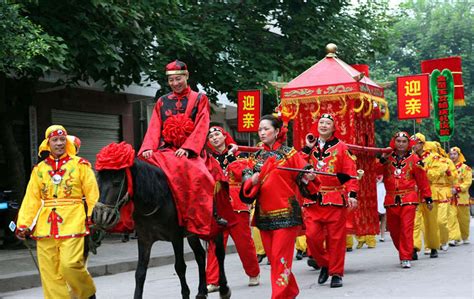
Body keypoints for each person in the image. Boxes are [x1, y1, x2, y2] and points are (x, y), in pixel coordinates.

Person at [138, 60, 223, 238]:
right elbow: (154, 126)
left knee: (202, 176)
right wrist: (147, 147)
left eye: (178, 79)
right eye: (171, 80)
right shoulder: (162, 101)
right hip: (167, 150)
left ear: (186, 76)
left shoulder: (200, 98)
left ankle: (209, 215)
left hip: (191, 152)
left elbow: (202, 125)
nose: (175, 83)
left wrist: (188, 148)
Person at [240, 114, 320, 299]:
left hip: (286, 213)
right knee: (276, 261)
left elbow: (304, 177)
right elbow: (246, 185)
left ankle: (279, 296)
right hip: (264, 216)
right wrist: (252, 180)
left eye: (266, 129)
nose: (262, 132)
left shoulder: (289, 154)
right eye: (260, 129)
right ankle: (290, 291)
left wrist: (308, 176)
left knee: (279, 258)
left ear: (277, 132)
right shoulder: (255, 157)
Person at [15, 125, 98, 299]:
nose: (59, 143)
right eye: (55, 140)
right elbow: (32, 199)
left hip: (73, 221)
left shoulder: (81, 165)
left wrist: (92, 215)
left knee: (69, 265)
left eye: (62, 139)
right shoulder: (39, 169)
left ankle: (87, 292)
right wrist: (23, 224)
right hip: (46, 226)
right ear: (48, 143)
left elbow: (92, 193)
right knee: (50, 273)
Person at [301, 113, 358, 288]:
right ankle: (325, 264)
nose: (324, 125)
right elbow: (298, 166)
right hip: (313, 200)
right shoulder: (310, 147)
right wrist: (306, 148)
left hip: (334, 199)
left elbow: (350, 173)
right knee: (312, 238)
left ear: (334, 128)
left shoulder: (341, 148)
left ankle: (336, 273)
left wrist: (352, 194)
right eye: (321, 122)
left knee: (336, 239)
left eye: (328, 123)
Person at [205, 126, 260, 292]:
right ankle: (213, 281)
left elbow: (242, 174)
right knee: (215, 244)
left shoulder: (238, 154)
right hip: (217, 207)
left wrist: (231, 157)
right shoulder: (207, 158)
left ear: (224, 136)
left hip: (236, 206)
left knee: (244, 244)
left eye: (217, 134)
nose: (214, 138)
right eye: (211, 136)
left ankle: (253, 273)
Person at [378, 132, 431, 268]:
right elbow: (374, 171)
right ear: (394, 142)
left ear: (408, 144)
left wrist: (428, 197)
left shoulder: (414, 159)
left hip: (409, 198)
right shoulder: (387, 158)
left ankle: (405, 256)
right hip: (391, 199)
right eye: (398, 141)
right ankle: (403, 251)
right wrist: (382, 160)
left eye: (404, 141)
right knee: (394, 231)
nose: (401, 144)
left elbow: (422, 180)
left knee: (407, 229)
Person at [448, 147, 472, 245]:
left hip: (462, 198)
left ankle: (464, 236)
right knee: (451, 217)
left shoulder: (465, 168)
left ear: (459, 155)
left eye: (455, 154)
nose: (452, 156)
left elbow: (468, 182)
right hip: (450, 197)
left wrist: (457, 189)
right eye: (451, 154)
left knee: (464, 220)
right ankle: (454, 238)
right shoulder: (446, 167)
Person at [376, 174, 387, 242]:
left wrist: (382, 179)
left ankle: (382, 235)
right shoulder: (375, 167)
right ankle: (371, 235)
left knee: (384, 215)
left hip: (384, 189)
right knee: (375, 214)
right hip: (376, 188)